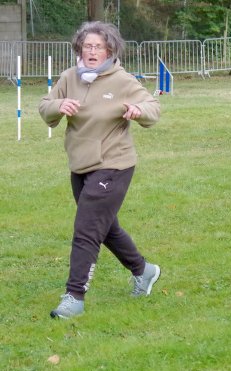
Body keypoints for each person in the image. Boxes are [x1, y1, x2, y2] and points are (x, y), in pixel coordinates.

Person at [39, 21, 161, 319]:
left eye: (98, 46)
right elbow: (45, 107)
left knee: (86, 230)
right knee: (105, 228)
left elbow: (153, 108)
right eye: (87, 46)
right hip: (80, 166)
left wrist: (138, 111)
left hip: (114, 164)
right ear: (79, 49)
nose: (92, 51)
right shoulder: (69, 77)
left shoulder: (121, 80)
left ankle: (74, 296)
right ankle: (143, 271)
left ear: (110, 49)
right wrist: (59, 106)